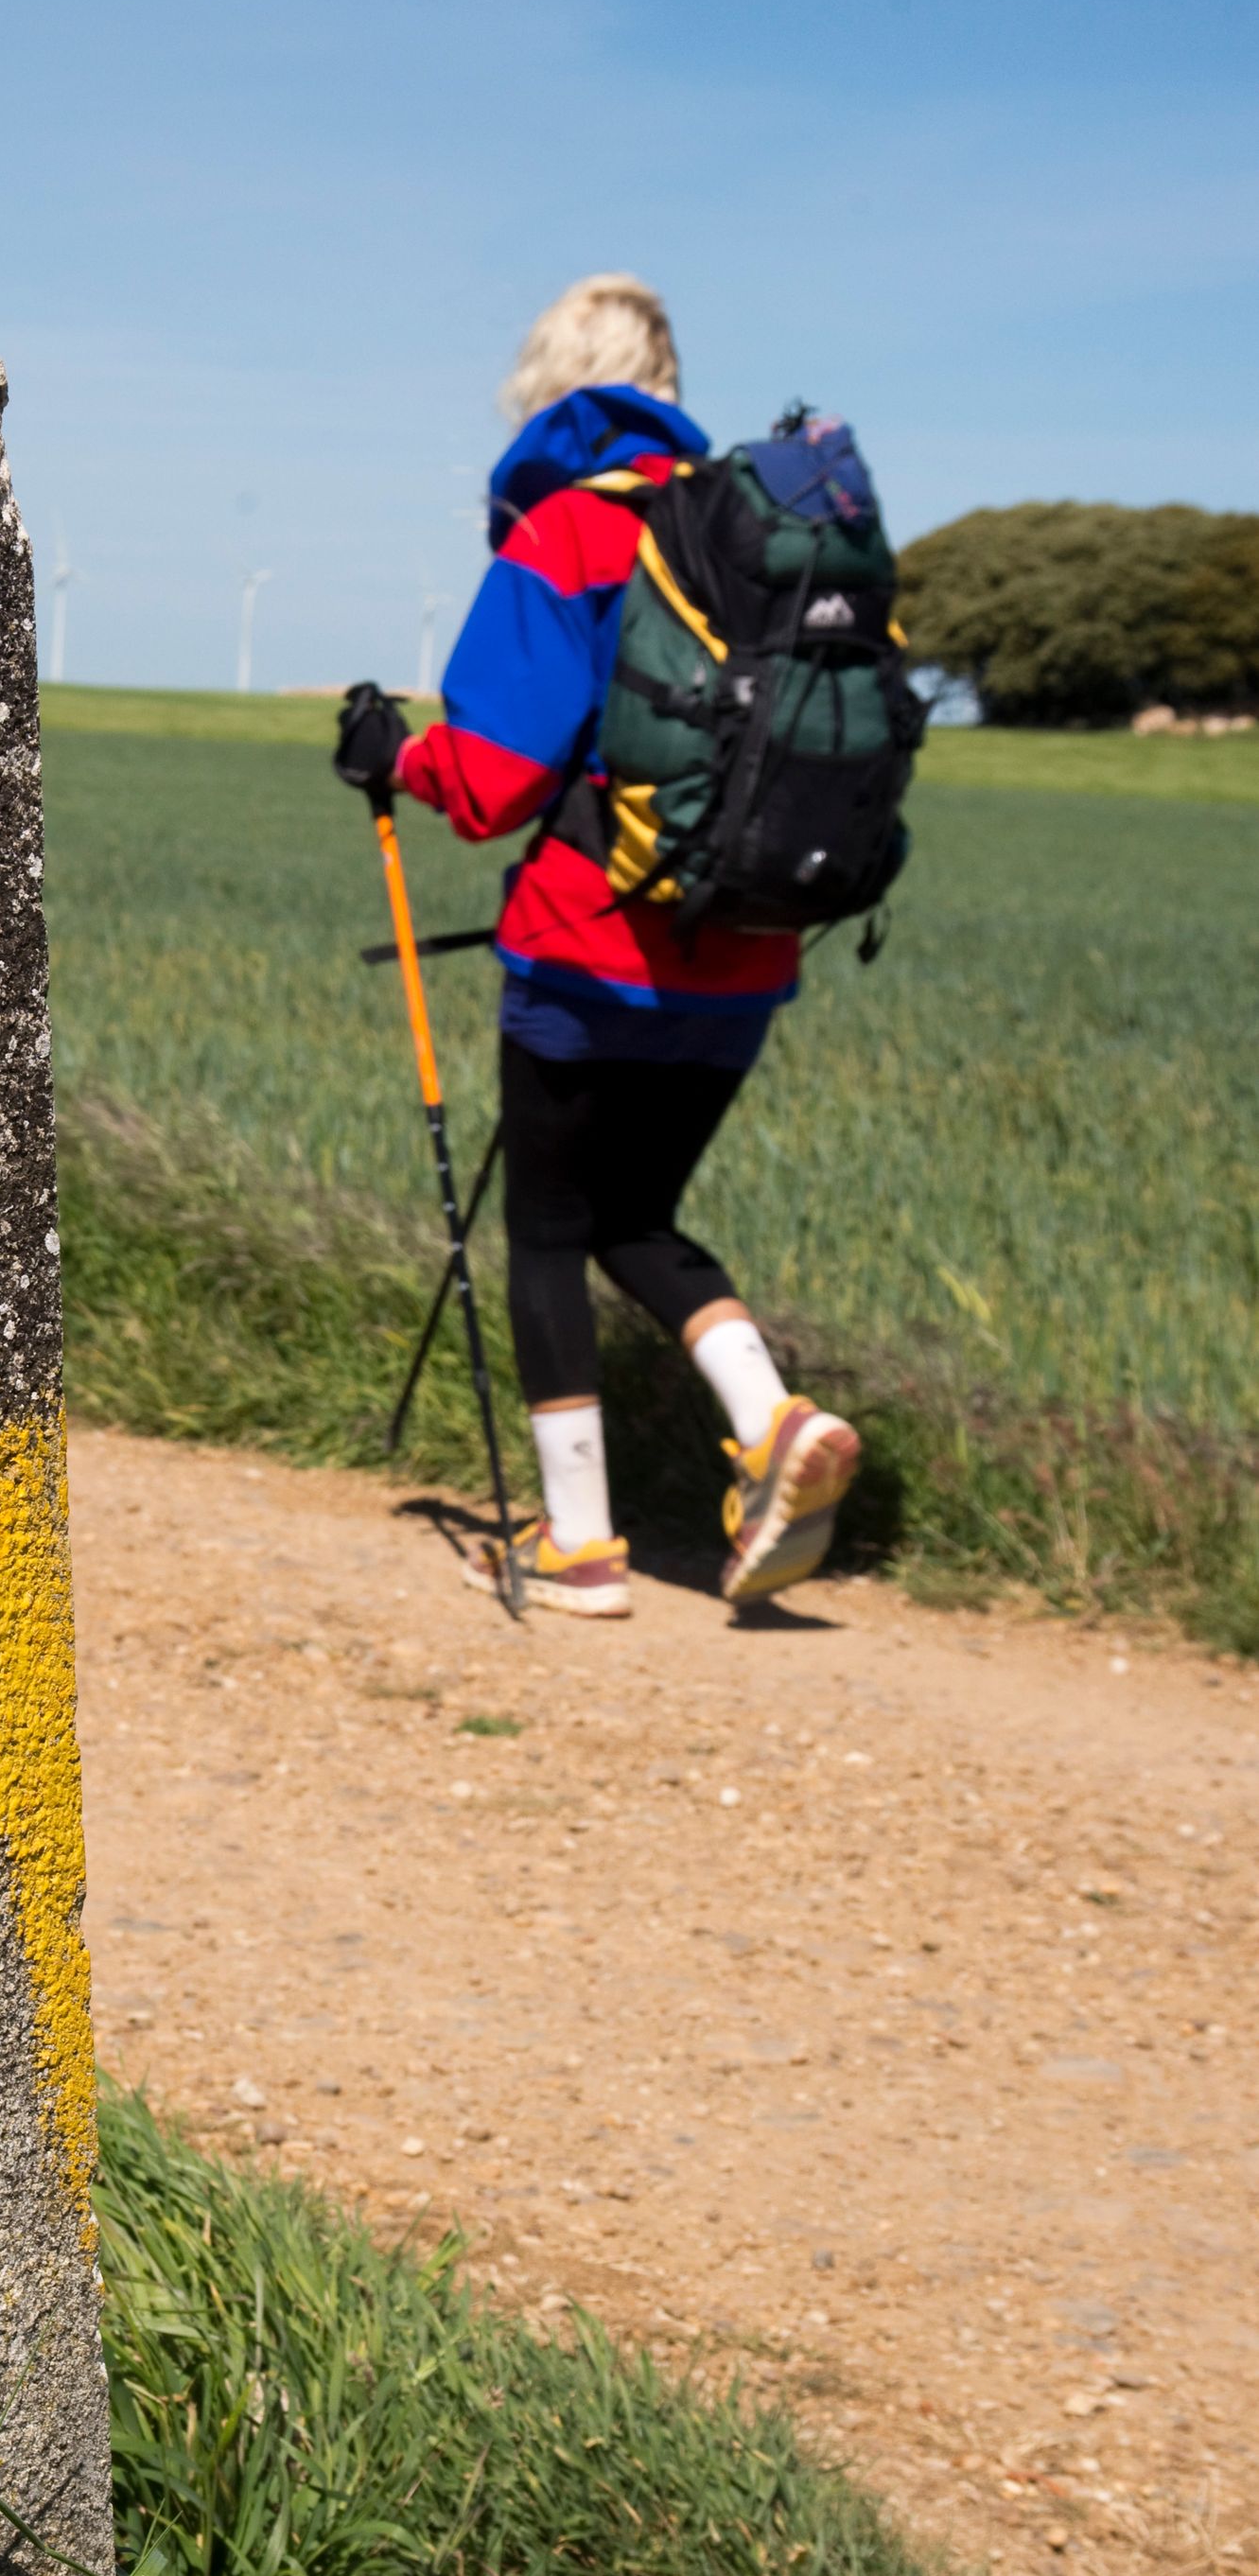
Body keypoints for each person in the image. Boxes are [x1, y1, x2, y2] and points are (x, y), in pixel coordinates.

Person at [337, 272, 862, 1619]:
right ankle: (773, 1420)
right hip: (747, 951)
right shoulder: (743, 538)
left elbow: (499, 779)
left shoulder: (570, 530)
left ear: (548, 390)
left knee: (553, 1231)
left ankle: (581, 1543)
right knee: (641, 1213)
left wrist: (395, 756)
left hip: (584, 951)